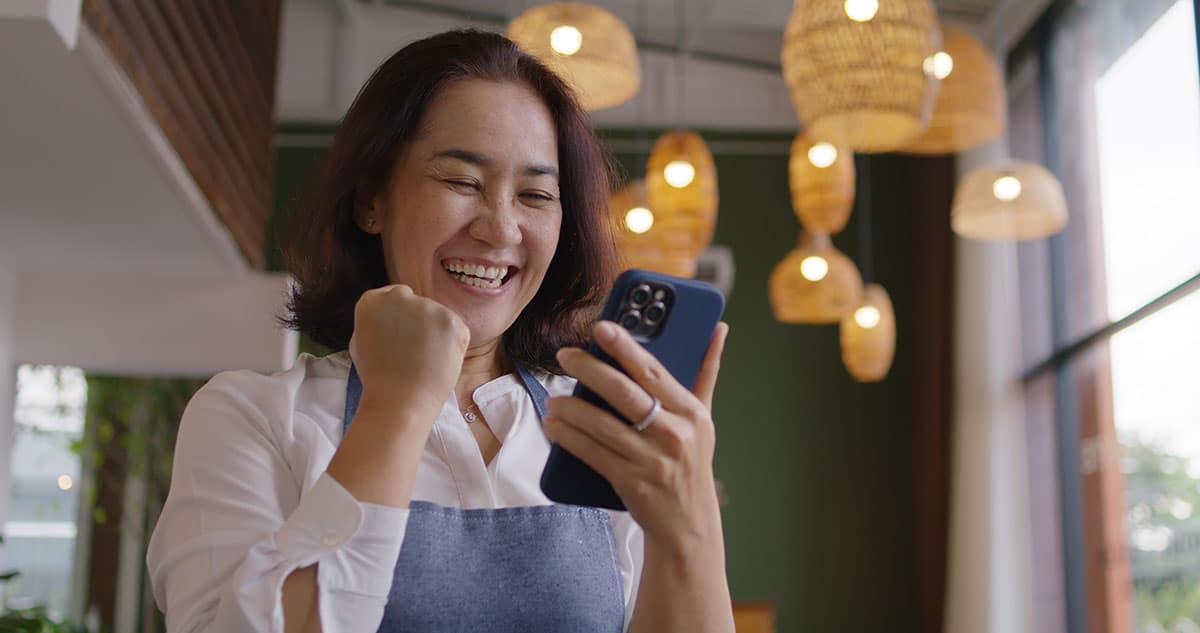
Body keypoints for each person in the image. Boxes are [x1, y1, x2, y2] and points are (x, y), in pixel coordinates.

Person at [147, 29, 734, 633]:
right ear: (371, 200)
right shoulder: (255, 418)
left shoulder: (599, 435)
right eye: (461, 182)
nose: (500, 228)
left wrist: (689, 522)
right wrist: (396, 409)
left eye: (535, 194)